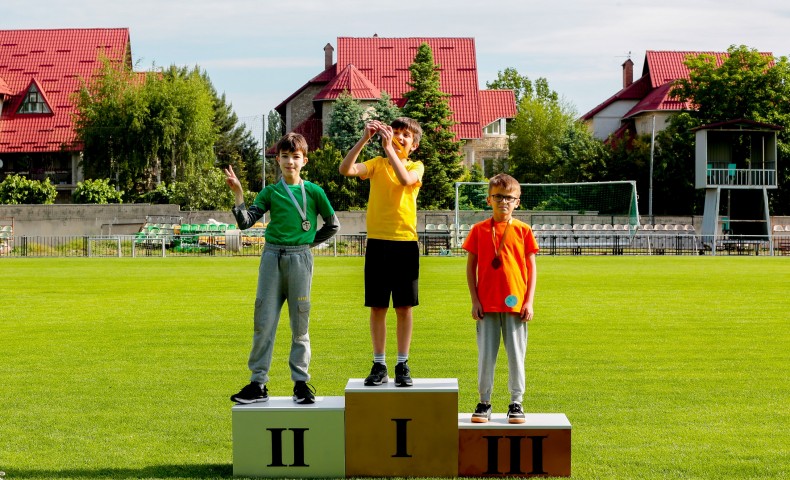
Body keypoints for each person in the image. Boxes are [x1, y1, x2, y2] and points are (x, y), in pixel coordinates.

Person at [225, 132, 339, 405]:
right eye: (285, 157)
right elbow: (245, 223)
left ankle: (300, 383)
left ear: (304, 161)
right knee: (263, 322)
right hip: (272, 259)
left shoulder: (314, 191)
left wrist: (307, 243)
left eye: (295, 157)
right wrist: (239, 194)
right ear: (277, 160)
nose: (290, 162)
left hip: (300, 260)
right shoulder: (271, 192)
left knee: (300, 323)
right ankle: (258, 384)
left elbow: (333, 225)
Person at [339, 118, 424, 387]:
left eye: (405, 136)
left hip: (405, 243)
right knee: (377, 306)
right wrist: (365, 138)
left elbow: (404, 179)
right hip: (377, 243)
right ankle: (379, 364)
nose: (399, 138)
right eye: (395, 133)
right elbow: (346, 169)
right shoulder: (376, 164)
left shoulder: (415, 166)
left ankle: (402, 364)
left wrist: (389, 148)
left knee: (404, 307)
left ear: (414, 145)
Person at [462, 173, 539, 424]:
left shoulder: (523, 230)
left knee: (517, 355)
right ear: (489, 199)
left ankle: (516, 402)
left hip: (515, 304)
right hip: (486, 303)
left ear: (518, 201)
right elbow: (470, 266)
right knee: (486, 355)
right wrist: (474, 300)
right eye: (498, 197)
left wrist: (529, 301)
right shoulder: (479, 230)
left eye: (509, 198)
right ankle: (484, 401)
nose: (503, 202)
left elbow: (532, 268)